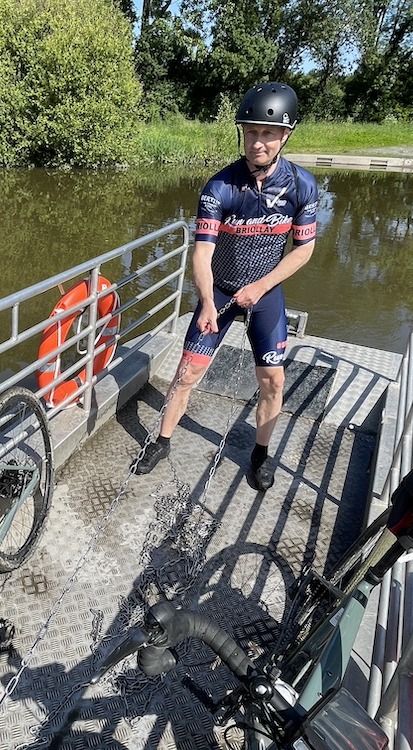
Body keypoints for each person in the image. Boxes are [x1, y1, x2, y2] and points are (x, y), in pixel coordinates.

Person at [134, 81, 318, 490]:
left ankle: (260, 454)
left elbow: (303, 251)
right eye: (250, 132)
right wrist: (204, 302)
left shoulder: (302, 186)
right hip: (218, 291)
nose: (257, 142)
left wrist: (261, 286)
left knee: (273, 380)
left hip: (265, 294)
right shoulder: (219, 187)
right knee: (186, 373)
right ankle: (162, 441)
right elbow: (201, 254)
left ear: (285, 135)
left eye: (267, 134)